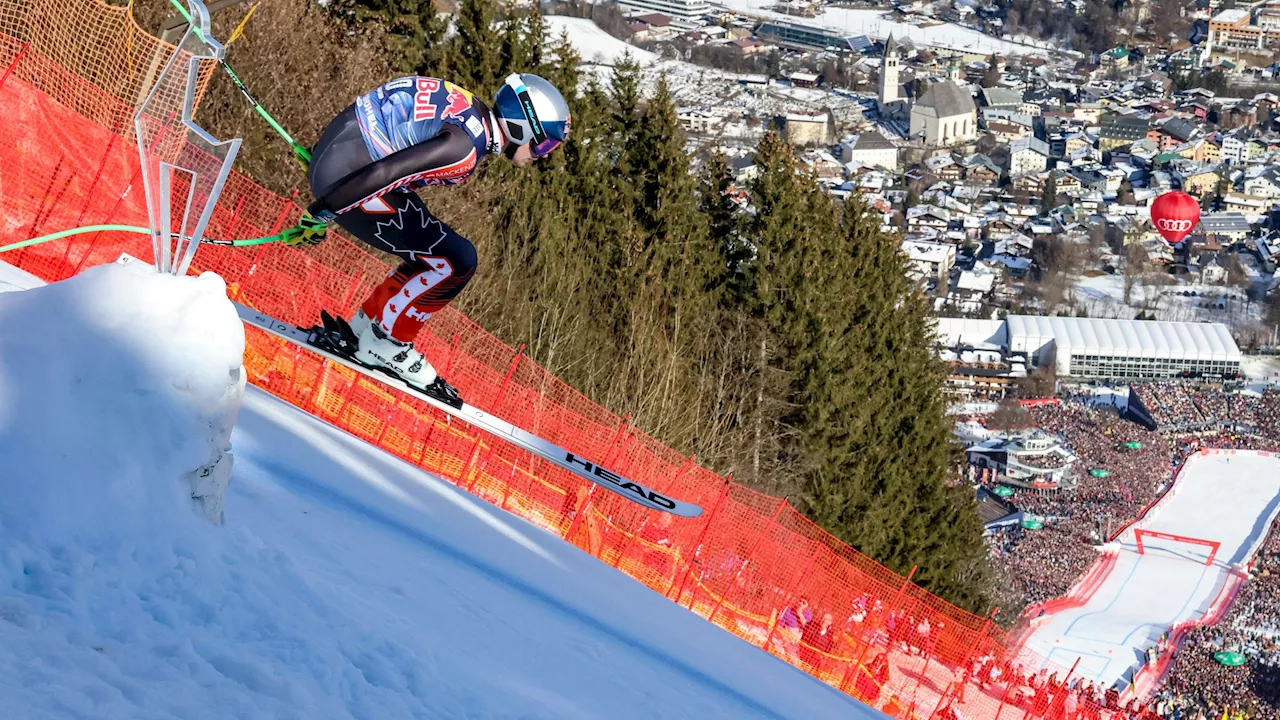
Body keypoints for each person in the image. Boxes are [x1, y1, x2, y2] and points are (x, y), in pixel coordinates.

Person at [295, 73, 571, 398]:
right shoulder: (463, 150)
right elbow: (387, 173)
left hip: (343, 157)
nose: (545, 154)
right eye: (546, 143)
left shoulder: (470, 109)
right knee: (457, 260)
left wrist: (326, 158)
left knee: (432, 252)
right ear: (522, 126)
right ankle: (387, 342)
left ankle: (367, 327)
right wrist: (323, 210)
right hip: (351, 176)